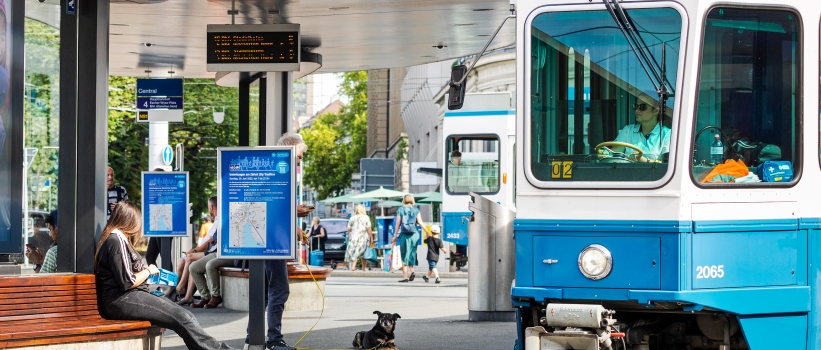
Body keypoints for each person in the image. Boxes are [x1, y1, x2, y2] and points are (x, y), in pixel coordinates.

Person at [94, 201, 234, 350]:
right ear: (129, 219)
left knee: (186, 316)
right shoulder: (116, 241)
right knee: (183, 317)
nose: (139, 224)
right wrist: (149, 270)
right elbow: (128, 281)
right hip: (121, 299)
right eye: (138, 219)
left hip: (130, 296)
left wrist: (148, 273)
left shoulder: (119, 239)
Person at [244, 132, 314, 350]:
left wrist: (297, 230)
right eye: (300, 157)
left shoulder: (273, 172)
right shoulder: (278, 174)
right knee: (279, 289)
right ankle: (274, 340)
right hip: (271, 242)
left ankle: (252, 337)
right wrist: (295, 211)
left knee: (264, 291)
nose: (300, 162)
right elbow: (271, 207)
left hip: (265, 238)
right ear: (291, 149)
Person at [189, 196, 235, 309]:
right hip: (217, 252)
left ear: (211, 207)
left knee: (210, 265)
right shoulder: (219, 219)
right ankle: (205, 297)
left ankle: (216, 296)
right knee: (193, 267)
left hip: (231, 253)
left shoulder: (229, 218)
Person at [609, 92, 672, 162]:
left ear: (656, 111)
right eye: (636, 106)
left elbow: (667, 164)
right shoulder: (628, 131)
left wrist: (644, 160)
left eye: (642, 107)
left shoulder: (667, 134)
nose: (637, 110)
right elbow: (613, 157)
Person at [392, 194, 430, 283]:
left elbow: (397, 224)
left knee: (404, 254)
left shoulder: (400, 210)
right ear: (412, 200)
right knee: (412, 252)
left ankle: (405, 277)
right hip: (414, 235)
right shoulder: (416, 210)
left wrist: (395, 236)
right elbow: (420, 222)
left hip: (404, 235)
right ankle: (412, 271)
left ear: (404, 200)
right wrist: (427, 231)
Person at [345, 205, 374, 271]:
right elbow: (368, 228)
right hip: (363, 237)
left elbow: (348, 228)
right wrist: (371, 237)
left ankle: (353, 267)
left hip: (354, 237)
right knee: (363, 252)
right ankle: (363, 268)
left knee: (355, 251)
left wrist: (354, 230)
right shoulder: (366, 217)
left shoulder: (352, 218)